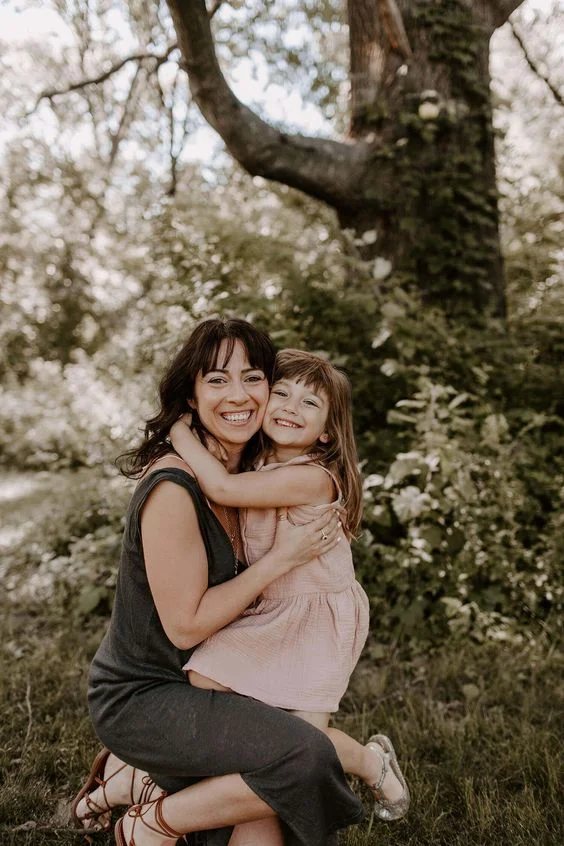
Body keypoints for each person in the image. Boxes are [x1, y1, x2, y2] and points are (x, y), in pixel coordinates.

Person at [72, 318, 364, 846]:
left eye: (253, 378)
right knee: (306, 757)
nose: (239, 394)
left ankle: (135, 780)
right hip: (149, 693)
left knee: (278, 810)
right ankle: (148, 824)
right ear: (190, 394)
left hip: (215, 681)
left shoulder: (257, 474)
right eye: (216, 379)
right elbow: (185, 629)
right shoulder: (174, 489)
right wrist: (281, 560)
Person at [170, 349, 410, 825]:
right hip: (273, 609)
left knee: (302, 744)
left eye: (309, 403)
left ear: (326, 432)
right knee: (206, 680)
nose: (289, 407)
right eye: (281, 393)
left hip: (318, 620)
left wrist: (178, 431)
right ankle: (244, 789)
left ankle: (369, 762)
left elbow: (222, 489)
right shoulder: (263, 463)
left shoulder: (312, 478)